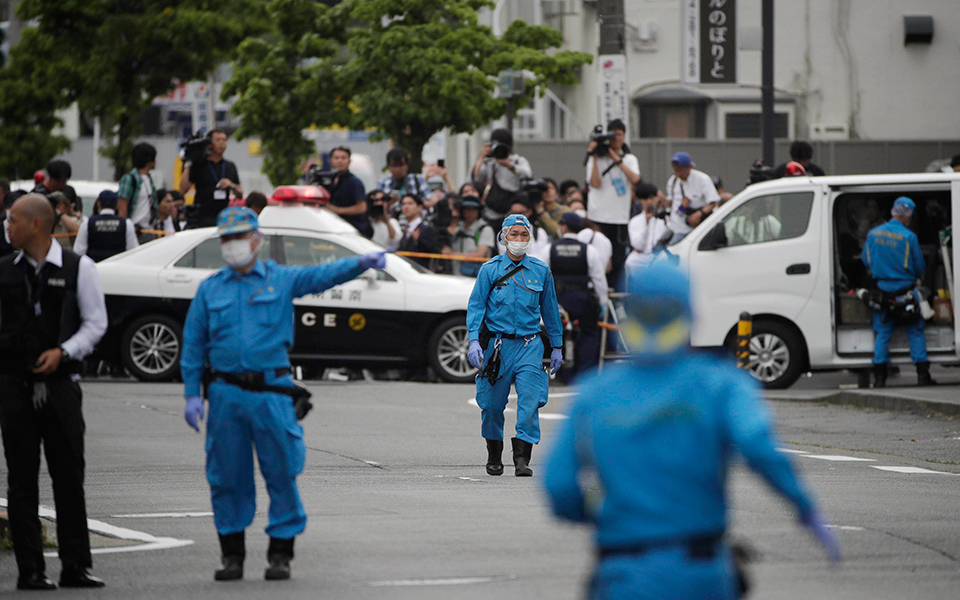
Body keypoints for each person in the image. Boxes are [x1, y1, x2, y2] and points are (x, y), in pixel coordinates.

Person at [542, 262, 841, 600]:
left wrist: (595, 512)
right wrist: (805, 508)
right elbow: (759, 447)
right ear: (690, 313)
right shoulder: (722, 384)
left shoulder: (594, 392)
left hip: (622, 572)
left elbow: (559, 484)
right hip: (701, 571)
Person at [181, 207, 386, 582]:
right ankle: (232, 556)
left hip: (271, 393)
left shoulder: (281, 279)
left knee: (281, 472)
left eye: (239, 237)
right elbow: (193, 344)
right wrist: (192, 393)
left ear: (256, 240)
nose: (232, 246)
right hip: (225, 395)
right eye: (226, 239)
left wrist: (361, 262)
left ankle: (280, 554)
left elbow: (323, 275)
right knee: (227, 475)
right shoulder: (210, 288)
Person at [0, 194, 109, 590]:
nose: (6, 227)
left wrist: (64, 352)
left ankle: (75, 565)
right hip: (14, 385)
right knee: (21, 477)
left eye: (12, 220)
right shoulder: (4, 270)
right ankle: (30, 569)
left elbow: (96, 324)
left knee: (68, 476)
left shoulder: (81, 269)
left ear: (36, 226)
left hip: (62, 385)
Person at [466, 214, 563, 477]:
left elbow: (550, 310)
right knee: (492, 405)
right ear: (503, 237)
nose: (519, 240)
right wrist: (474, 341)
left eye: (524, 235)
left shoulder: (541, 271)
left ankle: (522, 459)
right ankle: (494, 455)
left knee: (530, 403)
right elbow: (476, 306)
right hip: (498, 347)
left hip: (530, 345)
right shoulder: (490, 269)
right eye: (514, 234)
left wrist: (556, 346)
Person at [862, 196, 934, 387]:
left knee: (882, 333)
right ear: (908, 216)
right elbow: (919, 266)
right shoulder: (909, 237)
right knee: (915, 332)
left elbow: (866, 260)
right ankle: (922, 375)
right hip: (906, 292)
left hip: (882, 292)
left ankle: (879, 378)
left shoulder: (873, 234)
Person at [546, 212, 608, 381]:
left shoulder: (550, 248)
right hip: (582, 300)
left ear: (564, 227)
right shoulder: (589, 250)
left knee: (554, 334)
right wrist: (602, 304)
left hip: (556, 301)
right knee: (589, 333)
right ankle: (585, 374)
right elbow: (599, 280)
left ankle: (557, 372)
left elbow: (540, 276)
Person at [586, 119, 641, 290]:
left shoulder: (630, 159)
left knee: (617, 261)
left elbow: (635, 179)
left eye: (619, 135)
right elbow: (594, 183)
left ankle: (616, 294)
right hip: (598, 216)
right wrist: (594, 156)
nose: (615, 138)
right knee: (598, 259)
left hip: (619, 218)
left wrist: (615, 158)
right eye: (612, 135)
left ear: (624, 136)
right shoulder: (596, 158)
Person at [471, 128, 533, 231]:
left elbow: (528, 174)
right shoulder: (491, 163)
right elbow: (476, 177)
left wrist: (509, 166)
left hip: (513, 210)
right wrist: (481, 156)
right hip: (492, 211)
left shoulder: (518, 161)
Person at [180, 129, 243, 228]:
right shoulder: (199, 164)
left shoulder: (230, 166)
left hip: (223, 217)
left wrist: (232, 185)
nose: (221, 143)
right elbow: (183, 189)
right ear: (209, 144)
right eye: (218, 140)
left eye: (224, 140)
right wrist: (189, 163)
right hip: (201, 216)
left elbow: (240, 194)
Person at [664, 151, 721, 244]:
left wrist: (699, 214)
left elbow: (713, 203)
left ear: (689, 167)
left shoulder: (702, 179)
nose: (677, 174)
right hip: (677, 228)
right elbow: (671, 201)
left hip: (696, 229)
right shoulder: (673, 181)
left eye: (680, 170)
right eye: (675, 170)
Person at [74, 190, 139, 261]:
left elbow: (78, 252)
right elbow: (133, 251)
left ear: (98, 204)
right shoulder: (126, 223)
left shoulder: (88, 223)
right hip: (118, 268)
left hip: (95, 267)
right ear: (117, 204)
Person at [324, 146, 370, 236]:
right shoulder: (328, 181)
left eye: (343, 158)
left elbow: (361, 207)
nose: (340, 161)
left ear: (349, 161)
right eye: (336, 158)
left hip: (353, 230)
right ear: (330, 161)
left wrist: (337, 210)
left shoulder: (354, 182)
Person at [625, 182, 669, 272]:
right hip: (640, 259)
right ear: (640, 201)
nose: (649, 202)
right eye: (645, 199)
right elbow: (638, 246)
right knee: (630, 262)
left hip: (660, 257)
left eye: (652, 198)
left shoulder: (665, 218)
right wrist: (647, 224)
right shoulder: (635, 221)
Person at [447, 197, 494, 277]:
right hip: (455, 277)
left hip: (475, 278)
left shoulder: (485, 229)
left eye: (474, 209)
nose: (470, 212)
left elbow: (480, 254)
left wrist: (453, 254)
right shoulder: (458, 229)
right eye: (467, 209)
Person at [376, 147, 431, 214]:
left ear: (407, 165)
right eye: (394, 165)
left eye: (400, 165)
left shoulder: (417, 180)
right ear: (389, 166)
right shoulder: (383, 183)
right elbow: (377, 208)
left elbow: (429, 202)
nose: (397, 169)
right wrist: (389, 203)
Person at [118, 142, 159, 232]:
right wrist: (124, 230)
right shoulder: (129, 179)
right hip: (134, 229)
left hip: (149, 230)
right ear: (149, 160)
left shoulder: (149, 179)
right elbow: (122, 205)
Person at [496, 194, 551, 261]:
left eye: (522, 213)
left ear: (529, 212)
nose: (518, 218)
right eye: (514, 213)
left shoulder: (540, 233)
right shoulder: (503, 234)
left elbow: (542, 258)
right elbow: (506, 256)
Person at [396, 193, 441, 269]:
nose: (406, 207)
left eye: (410, 203)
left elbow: (434, 249)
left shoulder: (426, 229)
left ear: (419, 207)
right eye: (404, 204)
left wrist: (419, 239)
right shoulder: (404, 229)